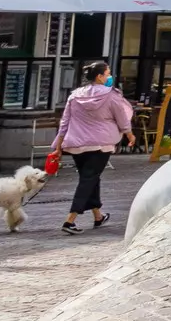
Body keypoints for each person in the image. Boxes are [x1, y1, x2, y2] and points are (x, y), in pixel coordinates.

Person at [56, 61, 134, 234]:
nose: (110, 76)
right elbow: (122, 119)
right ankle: (70, 220)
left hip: (77, 144)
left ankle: (98, 216)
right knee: (88, 179)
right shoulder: (111, 95)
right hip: (101, 144)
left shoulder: (75, 96)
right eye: (107, 73)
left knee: (90, 177)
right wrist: (129, 135)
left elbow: (65, 121)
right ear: (99, 76)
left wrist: (58, 145)